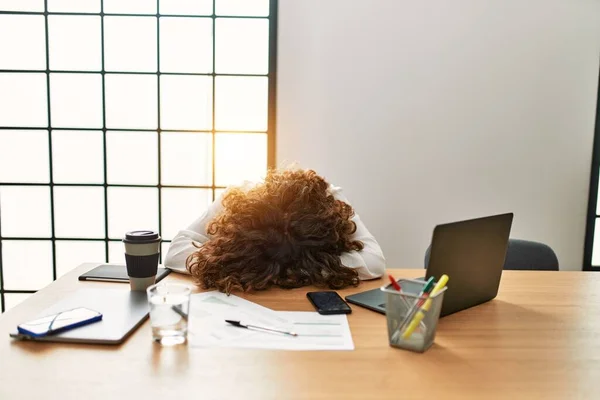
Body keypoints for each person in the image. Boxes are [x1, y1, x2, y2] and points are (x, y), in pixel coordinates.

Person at [164, 168, 385, 294]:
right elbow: (175, 252)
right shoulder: (238, 199)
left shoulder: (330, 201)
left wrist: (303, 268)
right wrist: (247, 266)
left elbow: (375, 260)